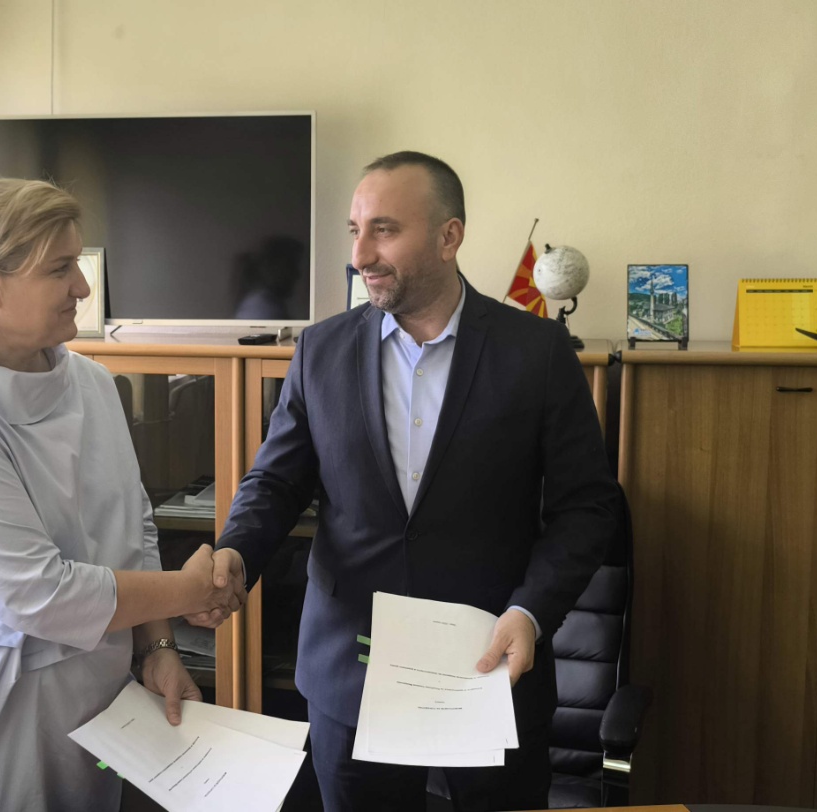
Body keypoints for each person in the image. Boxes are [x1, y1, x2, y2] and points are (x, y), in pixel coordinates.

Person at [192, 152, 620, 811]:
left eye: (384, 230)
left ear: (449, 237)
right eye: (355, 230)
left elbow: (586, 506)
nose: (360, 254)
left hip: (489, 671)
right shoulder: (320, 350)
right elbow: (275, 482)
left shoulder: (536, 353)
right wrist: (236, 553)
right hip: (352, 676)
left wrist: (531, 611)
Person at [0, 179, 246, 812]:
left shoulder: (90, 382)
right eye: (61, 269)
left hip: (85, 698)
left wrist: (158, 646)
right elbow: (38, 594)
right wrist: (189, 591)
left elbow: (133, 528)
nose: (84, 288)